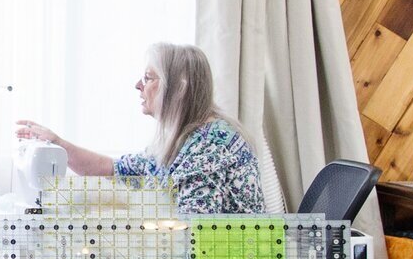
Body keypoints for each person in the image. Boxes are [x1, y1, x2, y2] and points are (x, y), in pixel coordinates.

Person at [16, 43, 269, 216]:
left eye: (149, 78)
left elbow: (193, 232)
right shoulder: (182, 140)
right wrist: (59, 143)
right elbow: (112, 168)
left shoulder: (209, 145)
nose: (138, 85)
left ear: (179, 87)